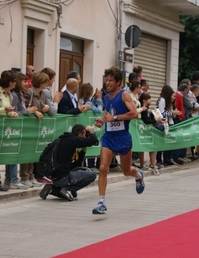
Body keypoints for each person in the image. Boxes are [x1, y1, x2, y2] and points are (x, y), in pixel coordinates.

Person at [92, 66, 145, 215]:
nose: (107, 83)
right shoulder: (106, 97)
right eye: (106, 80)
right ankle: (101, 202)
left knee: (126, 171)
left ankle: (138, 175)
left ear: (118, 82)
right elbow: (108, 115)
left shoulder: (124, 95)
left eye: (110, 80)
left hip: (123, 137)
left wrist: (114, 118)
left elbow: (134, 114)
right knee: (103, 168)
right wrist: (102, 122)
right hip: (109, 137)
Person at [39, 124, 98, 201]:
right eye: (84, 135)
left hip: (55, 177)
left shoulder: (64, 140)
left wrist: (84, 148)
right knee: (92, 175)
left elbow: (77, 164)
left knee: (74, 194)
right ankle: (67, 189)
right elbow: (94, 141)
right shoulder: (72, 140)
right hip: (64, 177)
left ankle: (53, 189)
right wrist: (91, 131)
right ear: (80, 134)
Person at [5, 73, 40, 189]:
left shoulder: (21, 94)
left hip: (20, 128)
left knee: (15, 153)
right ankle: (12, 179)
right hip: (14, 128)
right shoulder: (14, 96)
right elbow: (15, 113)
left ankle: (10, 179)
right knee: (13, 154)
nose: (27, 84)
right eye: (24, 82)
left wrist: (30, 111)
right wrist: (27, 112)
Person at [139, 93, 163, 175]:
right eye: (149, 98)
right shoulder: (143, 110)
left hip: (147, 131)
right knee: (149, 147)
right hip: (145, 131)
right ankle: (152, 165)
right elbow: (146, 121)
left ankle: (149, 164)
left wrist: (155, 113)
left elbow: (150, 119)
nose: (150, 100)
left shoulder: (146, 110)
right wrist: (156, 121)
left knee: (148, 148)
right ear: (144, 100)